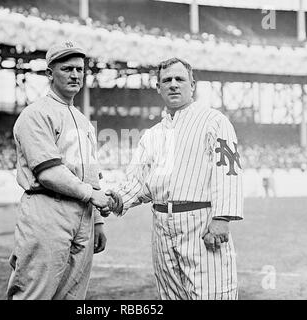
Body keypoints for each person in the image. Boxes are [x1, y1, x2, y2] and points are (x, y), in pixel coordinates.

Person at [104, 57, 244, 300]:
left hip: (199, 222)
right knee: (171, 296)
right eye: (166, 80)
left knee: (211, 293)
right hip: (161, 225)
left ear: (192, 84)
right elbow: (138, 182)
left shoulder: (214, 121)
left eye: (180, 79)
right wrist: (113, 199)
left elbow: (228, 170)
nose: (173, 84)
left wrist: (222, 218)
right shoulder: (153, 135)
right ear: (158, 88)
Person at [6, 41, 113, 300]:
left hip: (83, 216)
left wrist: (97, 221)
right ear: (49, 74)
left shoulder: (83, 121)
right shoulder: (35, 114)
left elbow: (90, 173)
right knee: (34, 293)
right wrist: (91, 195)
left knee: (74, 296)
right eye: (67, 69)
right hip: (48, 210)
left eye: (79, 69)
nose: (75, 75)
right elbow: (48, 172)